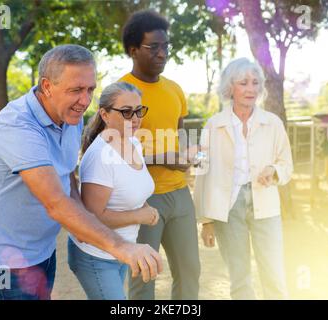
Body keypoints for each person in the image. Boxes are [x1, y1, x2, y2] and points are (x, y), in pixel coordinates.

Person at [0, 45, 162, 300]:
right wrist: (121, 247)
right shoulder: (17, 127)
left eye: (90, 90)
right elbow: (56, 203)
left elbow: (67, 176)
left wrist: (86, 221)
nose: (85, 101)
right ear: (47, 86)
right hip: (10, 256)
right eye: (75, 90)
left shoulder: (71, 116)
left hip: (44, 247)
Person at [194, 57, 293, 300]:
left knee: (274, 274)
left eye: (255, 83)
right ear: (230, 87)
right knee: (239, 278)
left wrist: (275, 171)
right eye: (243, 83)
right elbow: (202, 173)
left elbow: (286, 164)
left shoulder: (273, 123)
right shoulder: (214, 125)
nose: (251, 89)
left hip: (265, 204)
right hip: (228, 206)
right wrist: (206, 221)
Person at [120, 10, 200, 300]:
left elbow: (178, 140)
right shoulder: (121, 92)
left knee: (190, 271)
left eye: (166, 46)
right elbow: (114, 151)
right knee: (144, 276)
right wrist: (161, 159)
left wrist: (189, 155)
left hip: (180, 195)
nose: (162, 53)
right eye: (154, 47)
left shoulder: (175, 91)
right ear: (133, 50)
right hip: (142, 198)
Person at [68, 82, 159, 300]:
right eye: (126, 112)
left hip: (123, 250)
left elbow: (132, 187)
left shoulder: (134, 142)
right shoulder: (100, 156)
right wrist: (141, 215)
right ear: (105, 114)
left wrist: (145, 207)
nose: (135, 118)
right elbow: (92, 217)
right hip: (96, 256)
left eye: (139, 110)